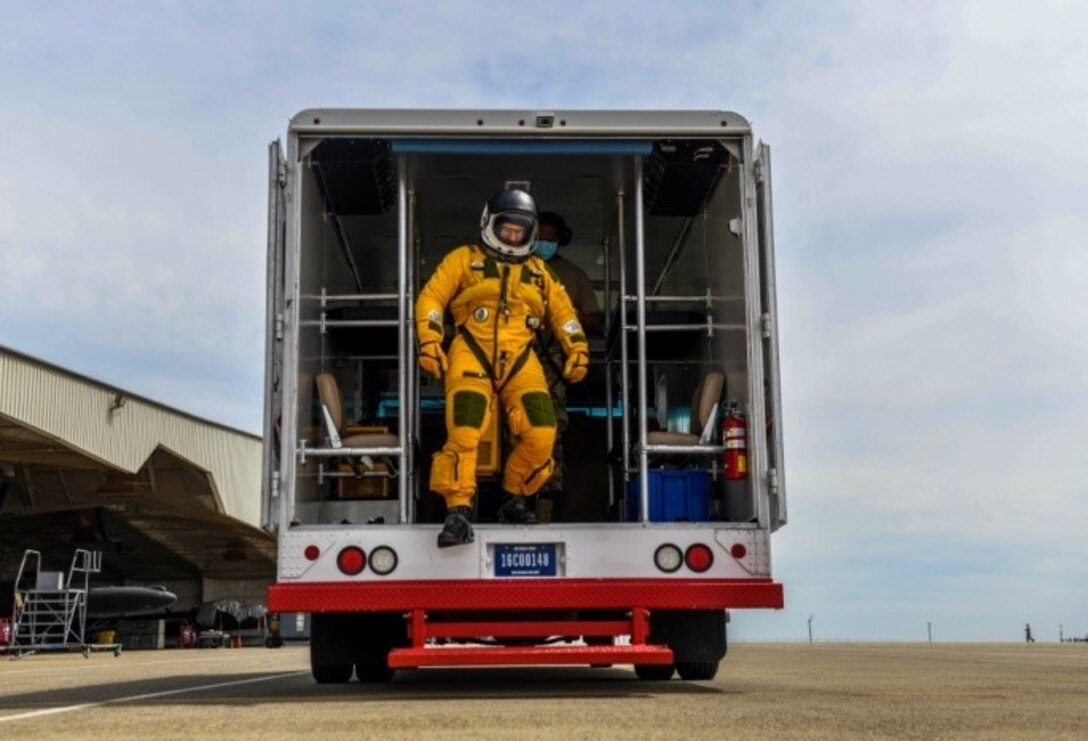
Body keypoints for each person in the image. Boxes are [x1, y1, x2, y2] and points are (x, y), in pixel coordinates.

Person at [416, 189, 589, 548]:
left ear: (530, 234)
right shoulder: (463, 260)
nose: (512, 236)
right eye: (506, 229)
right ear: (489, 224)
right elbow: (432, 297)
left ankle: (513, 497)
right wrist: (430, 339)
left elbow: (564, 315)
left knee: (542, 434)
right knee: (465, 431)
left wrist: (577, 347)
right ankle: (458, 509)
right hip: (471, 349)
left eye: (520, 231)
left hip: (520, 357)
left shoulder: (539, 273)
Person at [532, 211, 603, 519]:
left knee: (550, 429)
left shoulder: (574, 275)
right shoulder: (513, 268)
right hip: (513, 357)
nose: (544, 243)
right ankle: (512, 497)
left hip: (553, 358)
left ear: (560, 240)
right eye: (539, 237)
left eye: (550, 238)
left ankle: (547, 500)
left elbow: (595, 322)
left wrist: (565, 313)